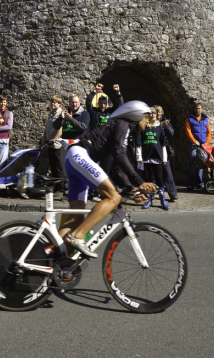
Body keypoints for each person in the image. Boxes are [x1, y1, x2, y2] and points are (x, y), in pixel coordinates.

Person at [59, 100, 156, 258]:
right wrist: (140, 182)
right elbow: (120, 154)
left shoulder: (121, 127)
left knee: (76, 217)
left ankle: (54, 257)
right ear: (136, 115)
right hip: (80, 155)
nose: (147, 120)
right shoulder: (125, 125)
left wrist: (132, 189)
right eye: (145, 117)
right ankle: (77, 237)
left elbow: (118, 166)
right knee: (113, 197)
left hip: (74, 158)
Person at [136, 108, 170, 210]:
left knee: (159, 179)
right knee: (148, 180)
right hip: (146, 157)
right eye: (150, 114)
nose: (152, 115)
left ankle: (162, 200)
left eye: (154, 113)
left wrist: (164, 157)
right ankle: (149, 200)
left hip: (157, 157)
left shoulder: (159, 128)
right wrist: (139, 156)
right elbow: (139, 143)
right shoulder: (143, 127)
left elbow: (163, 143)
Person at [154, 105, 178, 202]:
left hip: (164, 150)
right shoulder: (151, 122)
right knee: (153, 174)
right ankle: (151, 194)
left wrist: (166, 126)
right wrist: (160, 126)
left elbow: (171, 134)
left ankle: (172, 194)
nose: (158, 114)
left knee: (168, 173)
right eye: (156, 112)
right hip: (154, 149)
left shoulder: (165, 121)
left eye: (160, 112)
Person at [186, 102, 210, 191]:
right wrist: (194, 141)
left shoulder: (205, 119)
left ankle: (199, 183)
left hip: (203, 145)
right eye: (196, 108)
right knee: (192, 163)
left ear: (202, 109)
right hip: (193, 145)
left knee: (201, 163)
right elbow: (188, 131)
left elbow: (209, 132)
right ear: (194, 109)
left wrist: (207, 142)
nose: (198, 110)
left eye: (199, 108)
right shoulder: (189, 118)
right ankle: (190, 184)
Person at [40, 95, 65, 180]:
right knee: (53, 167)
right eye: (52, 102)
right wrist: (44, 138)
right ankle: (56, 186)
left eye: (55, 103)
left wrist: (54, 139)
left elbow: (61, 128)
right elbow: (47, 127)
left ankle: (61, 187)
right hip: (49, 144)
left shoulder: (61, 114)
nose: (52, 104)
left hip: (57, 145)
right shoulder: (51, 113)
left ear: (59, 104)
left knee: (58, 167)